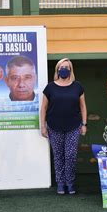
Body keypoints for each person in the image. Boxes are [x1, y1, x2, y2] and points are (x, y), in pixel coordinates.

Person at [40, 58, 87, 195]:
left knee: (71, 155)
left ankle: (70, 183)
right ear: (57, 70)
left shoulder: (77, 86)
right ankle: (61, 183)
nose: (64, 69)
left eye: (66, 67)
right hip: (54, 126)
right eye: (61, 67)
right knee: (58, 155)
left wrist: (84, 124)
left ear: (70, 70)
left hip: (74, 126)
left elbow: (83, 106)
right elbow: (43, 108)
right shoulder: (50, 87)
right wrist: (43, 126)